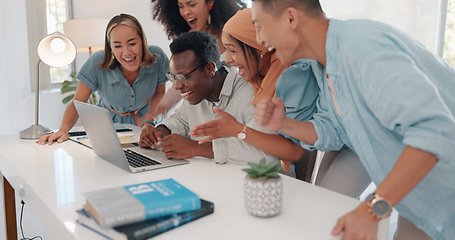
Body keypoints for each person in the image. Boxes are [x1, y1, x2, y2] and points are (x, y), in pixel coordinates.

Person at [251, 0, 455, 239]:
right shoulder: (325, 65)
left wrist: (372, 209)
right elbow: (339, 133)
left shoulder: (362, 48)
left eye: (259, 26)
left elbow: (434, 133)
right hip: (417, 193)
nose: (259, 39)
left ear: (291, 18)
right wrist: (284, 123)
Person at [188, 8, 319, 180]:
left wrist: (238, 130)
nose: (227, 59)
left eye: (233, 51)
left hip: (347, 143)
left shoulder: (291, 77)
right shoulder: (262, 78)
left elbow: (294, 151)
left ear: (259, 48)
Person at [139, 31, 277, 165]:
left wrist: (196, 148)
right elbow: (181, 120)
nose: (176, 86)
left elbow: (265, 155)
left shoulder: (252, 92)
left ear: (210, 69)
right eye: (173, 77)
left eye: (182, 77)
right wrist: (160, 132)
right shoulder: (196, 94)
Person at [37, 13, 169, 145]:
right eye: (118, 46)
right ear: (110, 48)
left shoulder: (157, 57)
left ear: (142, 41)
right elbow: (78, 102)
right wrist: (63, 130)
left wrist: (149, 122)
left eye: (132, 43)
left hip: (148, 125)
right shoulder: (96, 62)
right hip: (106, 128)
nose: (127, 52)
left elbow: (159, 93)